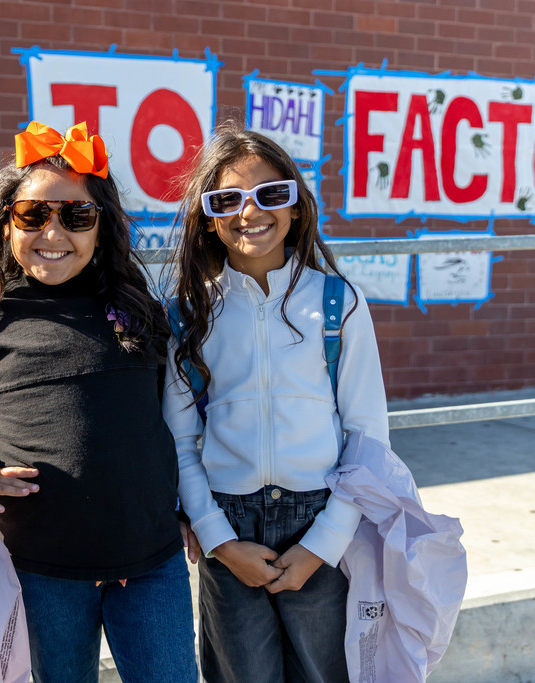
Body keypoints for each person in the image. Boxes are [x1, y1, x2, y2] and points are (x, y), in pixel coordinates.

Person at [0, 121, 198, 682]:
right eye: (32, 215)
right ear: (3, 225)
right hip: (41, 574)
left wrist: (194, 505)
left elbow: (172, 419)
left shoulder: (137, 308)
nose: (54, 231)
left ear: (102, 229)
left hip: (153, 565)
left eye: (76, 216)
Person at [163, 122, 390, 683]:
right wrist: (217, 540)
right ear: (207, 217)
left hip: (320, 523)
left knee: (325, 674)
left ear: (295, 205)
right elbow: (180, 442)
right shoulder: (186, 316)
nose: (250, 212)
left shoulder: (338, 303)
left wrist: (325, 541)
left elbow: (368, 437)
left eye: (270, 194)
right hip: (228, 529)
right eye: (227, 199)